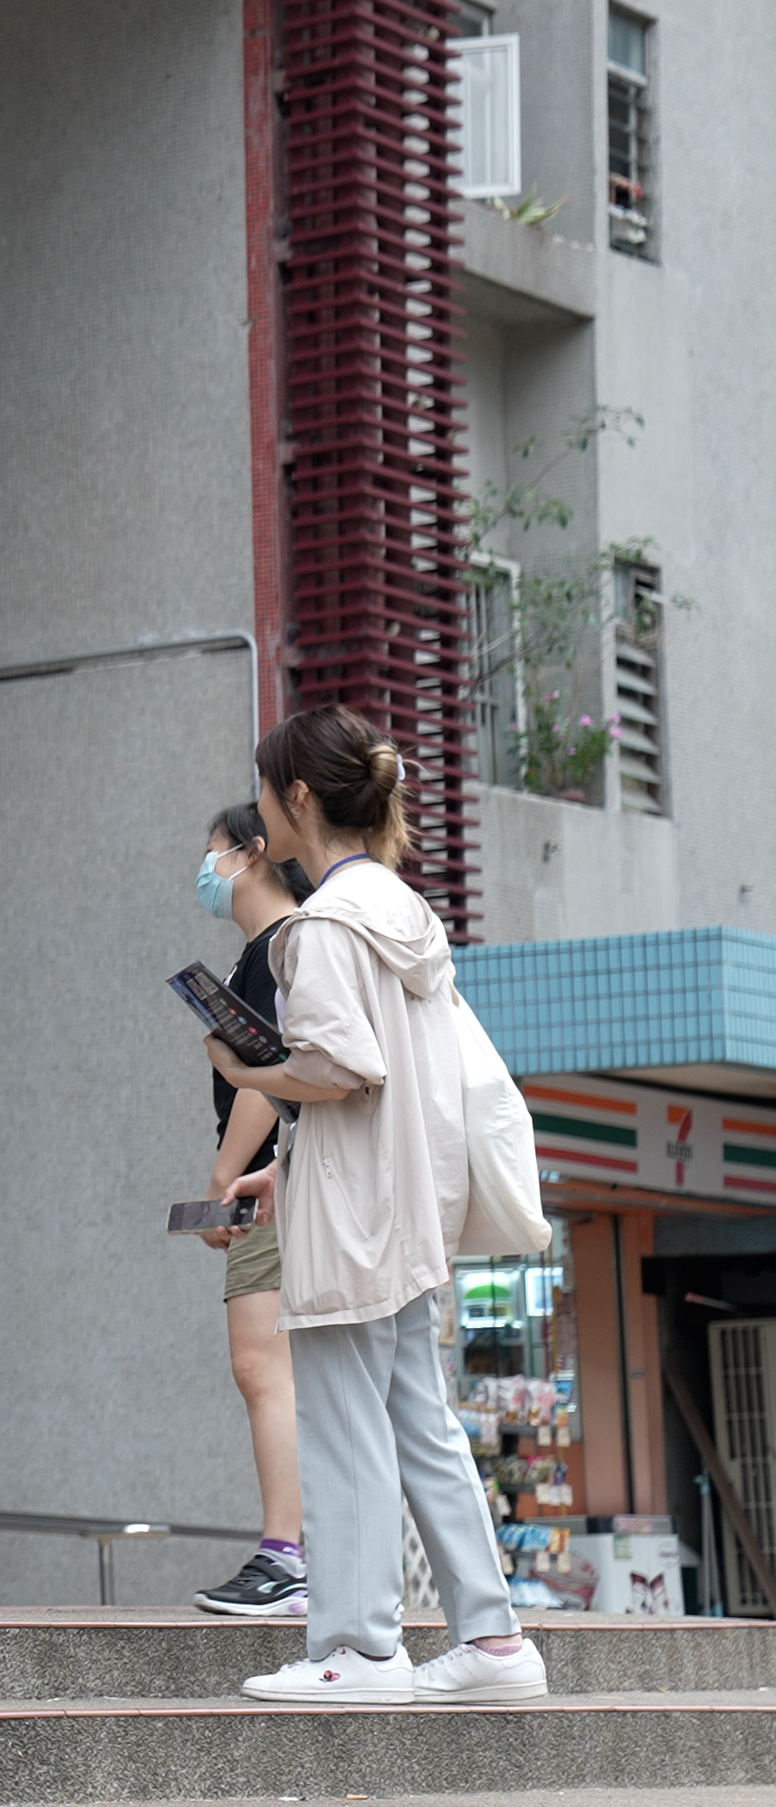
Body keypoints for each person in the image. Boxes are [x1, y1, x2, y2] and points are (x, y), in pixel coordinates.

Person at [219, 708, 544, 1705]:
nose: (263, 807)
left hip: (352, 1219)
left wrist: (240, 1060)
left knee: (346, 1425)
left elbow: (339, 1066)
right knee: (422, 1424)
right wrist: (294, 1159)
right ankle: (492, 1641)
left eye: (268, 790)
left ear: (300, 798)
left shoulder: (320, 928)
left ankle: (360, 1648)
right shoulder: (406, 913)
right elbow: (404, 1075)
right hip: (407, 1204)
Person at [188, 800, 316, 1618]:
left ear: (252, 854)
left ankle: (287, 1556)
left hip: (276, 1184)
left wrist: (226, 1176)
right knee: (289, 1373)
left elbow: (270, 1082)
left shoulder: (279, 948)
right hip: (292, 1181)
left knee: (260, 1366)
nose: (204, 872)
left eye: (212, 854)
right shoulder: (260, 955)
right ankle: (303, 1552)